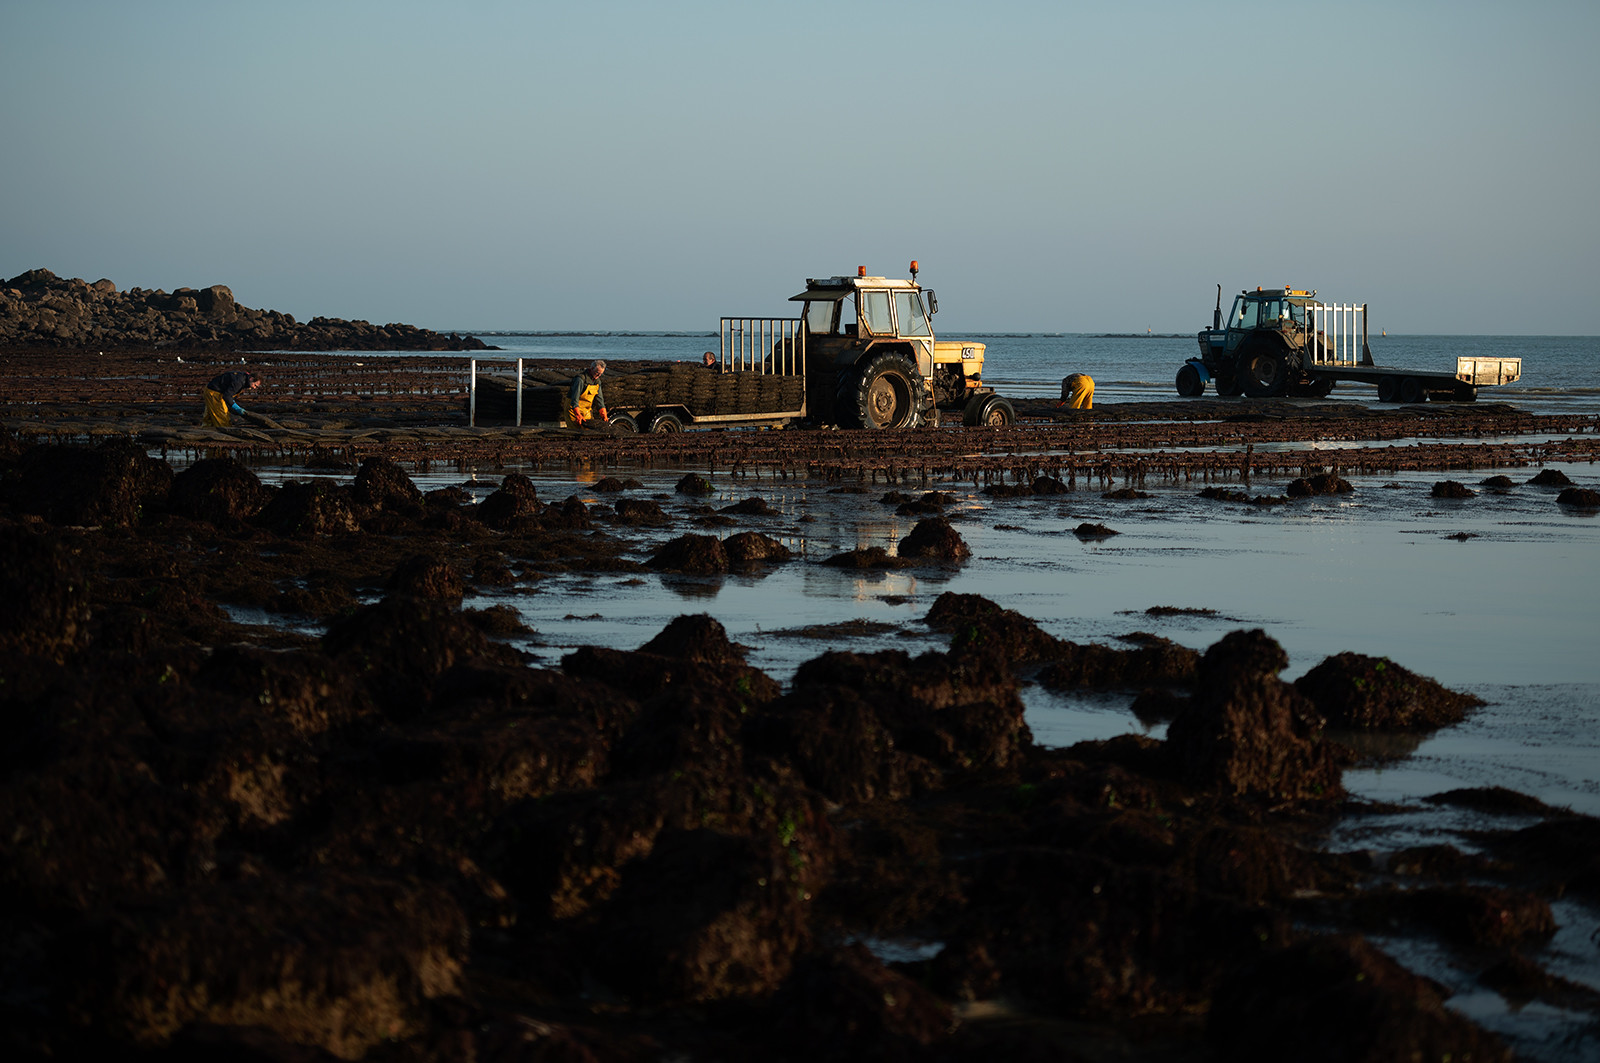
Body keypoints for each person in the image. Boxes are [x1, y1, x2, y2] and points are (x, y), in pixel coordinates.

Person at [566, 359, 609, 427]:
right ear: (591, 368)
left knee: (589, 430)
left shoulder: (597, 382)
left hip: (586, 410)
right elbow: (574, 399)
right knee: (576, 430)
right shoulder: (580, 379)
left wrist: (603, 413)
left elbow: (600, 400)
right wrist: (577, 414)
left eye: (601, 374)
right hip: (573, 409)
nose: (598, 375)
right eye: (597, 372)